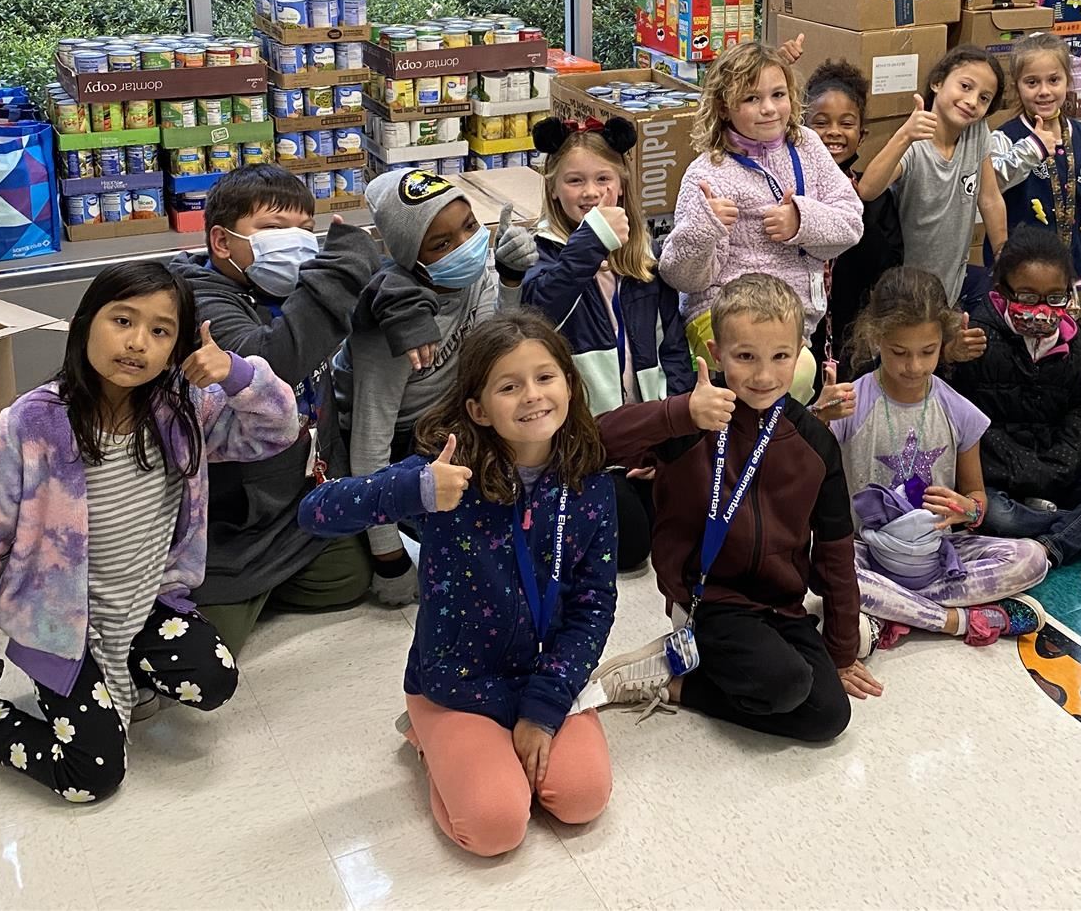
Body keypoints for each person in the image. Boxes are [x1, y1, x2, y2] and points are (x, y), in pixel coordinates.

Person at [0, 261, 300, 804]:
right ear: (84, 323)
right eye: (122, 320)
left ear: (177, 347)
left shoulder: (182, 408)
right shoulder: (32, 426)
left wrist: (237, 373)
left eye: (160, 331)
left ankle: (118, 674)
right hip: (59, 624)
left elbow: (277, 430)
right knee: (90, 778)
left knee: (214, 679)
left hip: (143, 603)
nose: (138, 343)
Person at [297, 312, 616, 858]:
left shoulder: (588, 481)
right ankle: (426, 738)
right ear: (477, 409)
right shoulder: (448, 477)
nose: (533, 396)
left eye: (546, 378)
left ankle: (500, 746)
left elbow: (594, 605)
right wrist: (413, 489)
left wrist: (544, 708)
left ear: (569, 383)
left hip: (547, 676)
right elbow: (316, 512)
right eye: (509, 386)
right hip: (458, 684)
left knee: (583, 798)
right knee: (496, 827)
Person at [588, 274, 880, 740]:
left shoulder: (814, 441)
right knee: (784, 685)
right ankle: (670, 676)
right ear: (716, 352)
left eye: (780, 356)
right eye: (746, 356)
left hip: (781, 604)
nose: (764, 376)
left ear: (800, 351)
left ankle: (686, 681)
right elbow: (593, 444)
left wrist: (842, 650)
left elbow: (836, 551)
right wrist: (677, 412)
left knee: (829, 716)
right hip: (710, 599)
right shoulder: (694, 419)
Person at [166, 165, 375, 656]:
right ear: (222, 241)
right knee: (205, 648)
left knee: (347, 580)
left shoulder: (290, 289)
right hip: (229, 519)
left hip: (296, 501)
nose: (297, 242)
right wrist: (345, 270)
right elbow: (271, 367)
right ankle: (240, 590)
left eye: (306, 230)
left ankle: (264, 586)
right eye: (275, 229)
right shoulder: (197, 300)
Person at [334, 167, 537, 603]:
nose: (466, 246)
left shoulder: (472, 276)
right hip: (398, 445)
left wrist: (509, 280)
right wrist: (389, 559)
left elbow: (490, 355)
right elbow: (370, 441)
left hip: (451, 421)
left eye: (469, 227)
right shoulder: (392, 325)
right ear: (412, 257)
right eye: (441, 244)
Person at [831, 266, 1050, 653]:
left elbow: (976, 498)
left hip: (938, 555)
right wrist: (817, 419)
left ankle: (892, 611)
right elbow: (800, 471)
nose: (913, 366)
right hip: (866, 551)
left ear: (943, 343)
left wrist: (967, 510)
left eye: (927, 352)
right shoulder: (852, 404)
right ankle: (958, 619)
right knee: (826, 566)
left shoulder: (958, 411)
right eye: (899, 352)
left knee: (1033, 558)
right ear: (876, 338)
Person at [522, 117, 694, 572]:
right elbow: (540, 313)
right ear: (553, 189)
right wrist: (589, 243)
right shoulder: (544, 259)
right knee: (632, 548)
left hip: (647, 428)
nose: (590, 191)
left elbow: (674, 351)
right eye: (574, 180)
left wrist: (666, 436)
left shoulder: (644, 264)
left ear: (621, 185)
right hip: (585, 440)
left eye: (603, 179)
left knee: (691, 519)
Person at [660, 41, 863, 395]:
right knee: (796, 374)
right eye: (751, 99)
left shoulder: (809, 147)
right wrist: (703, 230)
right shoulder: (709, 173)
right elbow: (681, 277)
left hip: (795, 316)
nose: (769, 109)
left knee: (795, 384)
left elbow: (851, 224)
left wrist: (801, 221)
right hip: (722, 312)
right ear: (724, 106)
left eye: (778, 94)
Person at [945, 228, 1081, 564]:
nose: (1040, 309)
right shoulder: (976, 339)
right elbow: (959, 418)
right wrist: (948, 358)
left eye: (1055, 297)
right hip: (997, 473)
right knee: (996, 515)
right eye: (1026, 297)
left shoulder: (1074, 345)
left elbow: (1076, 412)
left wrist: (1059, 466)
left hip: (1055, 469)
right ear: (1002, 290)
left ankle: (1050, 538)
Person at [992, 34, 1081, 364]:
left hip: (1074, 245)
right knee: (1027, 314)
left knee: (1071, 307)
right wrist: (1032, 149)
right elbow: (996, 182)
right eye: (1032, 82)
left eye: (1053, 80)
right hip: (1025, 252)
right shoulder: (1004, 137)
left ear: (1067, 82)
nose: (1044, 91)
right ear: (1017, 85)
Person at [858, 45, 1009, 306]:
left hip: (952, 282)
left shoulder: (977, 132)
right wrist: (904, 136)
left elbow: (990, 198)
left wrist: (1004, 255)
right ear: (938, 82)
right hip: (907, 289)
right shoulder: (916, 143)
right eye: (965, 86)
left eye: (984, 98)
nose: (972, 101)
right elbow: (868, 189)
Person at [803, 59, 902, 374]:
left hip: (852, 333)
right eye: (821, 122)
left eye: (846, 123)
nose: (834, 132)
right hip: (799, 331)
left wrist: (859, 206)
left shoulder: (875, 195)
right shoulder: (792, 188)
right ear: (801, 128)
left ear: (862, 135)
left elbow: (888, 266)